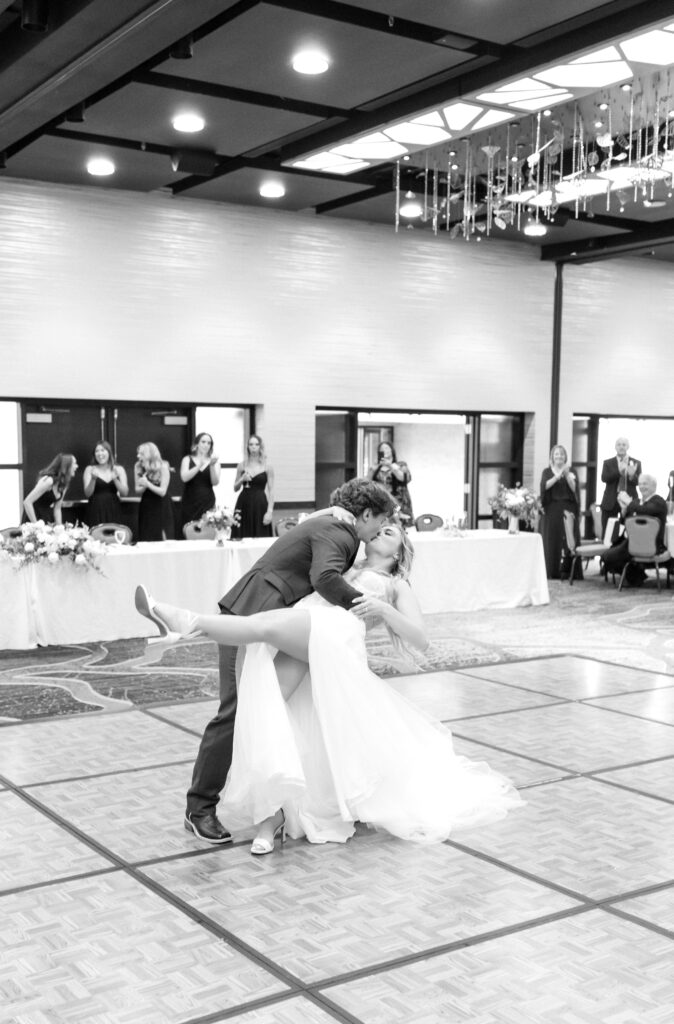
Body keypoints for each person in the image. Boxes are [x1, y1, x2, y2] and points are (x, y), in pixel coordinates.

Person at [136, 522, 523, 852]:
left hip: (332, 635)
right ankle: (272, 815)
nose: (379, 531)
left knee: (262, 626)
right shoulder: (345, 561)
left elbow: (421, 639)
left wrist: (384, 609)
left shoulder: (396, 584)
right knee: (267, 709)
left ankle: (181, 622)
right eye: (378, 525)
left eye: (391, 531)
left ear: (400, 550)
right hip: (307, 630)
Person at [172, 477, 396, 844]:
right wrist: (364, 607)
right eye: (379, 522)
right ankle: (199, 809)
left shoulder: (330, 523)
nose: (377, 532)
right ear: (366, 514)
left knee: (262, 708)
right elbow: (323, 577)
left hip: (269, 617)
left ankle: (275, 810)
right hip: (255, 610)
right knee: (235, 710)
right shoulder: (342, 531)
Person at [603, 473, 668, 587]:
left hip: (653, 544)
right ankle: (637, 575)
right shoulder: (637, 502)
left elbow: (645, 510)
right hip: (632, 543)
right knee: (606, 557)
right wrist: (624, 510)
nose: (642, 486)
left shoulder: (659, 502)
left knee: (609, 557)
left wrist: (629, 503)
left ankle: (636, 575)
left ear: (654, 486)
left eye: (645, 484)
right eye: (640, 484)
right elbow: (625, 522)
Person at [540, 444, 582, 580]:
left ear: (565, 457)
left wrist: (567, 476)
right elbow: (545, 486)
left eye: (562, 454)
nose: (559, 456)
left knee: (569, 538)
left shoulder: (571, 471)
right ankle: (552, 570)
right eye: (557, 454)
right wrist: (557, 476)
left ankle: (570, 571)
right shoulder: (547, 471)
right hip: (552, 508)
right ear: (552, 456)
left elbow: (574, 488)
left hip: (568, 508)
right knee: (552, 538)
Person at [231, 434, 274, 538]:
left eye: (256, 444)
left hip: (260, 503)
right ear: (247, 447)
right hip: (243, 502)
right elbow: (235, 488)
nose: (253, 447)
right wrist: (242, 479)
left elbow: (271, 490)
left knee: (261, 534)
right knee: (241, 534)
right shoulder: (242, 465)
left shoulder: (267, 467)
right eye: (251, 444)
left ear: (260, 447)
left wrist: (269, 511)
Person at [600, 437, 642, 535]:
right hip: (611, 501)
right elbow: (604, 478)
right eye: (619, 444)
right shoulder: (608, 463)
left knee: (629, 532)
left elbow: (640, 482)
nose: (621, 447)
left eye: (624, 444)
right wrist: (619, 472)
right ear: (615, 447)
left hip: (629, 499)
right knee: (608, 532)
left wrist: (632, 476)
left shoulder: (636, 462)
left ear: (628, 447)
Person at [179, 432, 220, 533]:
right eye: (203, 442)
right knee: (189, 529)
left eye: (209, 443)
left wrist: (211, 466)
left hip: (207, 500)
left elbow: (215, 482)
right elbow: (184, 478)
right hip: (190, 500)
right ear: (197, 444)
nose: (206, 445)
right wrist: (199, 465)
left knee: (207, 529)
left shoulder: (214, 462)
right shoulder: (187, 459)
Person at [134, 442, 174, 541]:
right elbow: (137, 490)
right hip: (147, 504)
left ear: (149, 455)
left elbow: (162, 492)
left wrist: (147, 484)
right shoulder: (138, 466)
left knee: (162, 536)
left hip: (161, 505)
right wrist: (143, 485)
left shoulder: (163, 467)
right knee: (147, 535)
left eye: (141, 454)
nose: (138, 456)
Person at [23, 453, 78, 524]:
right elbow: (27, 502)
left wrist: (60, 528)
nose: (76, 466)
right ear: (66, 466)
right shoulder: (48, 481)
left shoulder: (63, 485)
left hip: (45, 517)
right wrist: (36, 525)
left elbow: (57, 508)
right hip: (32, 517)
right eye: (74, 463)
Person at [83, 441, 129, 527]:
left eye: (103, 450)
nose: (100, 453)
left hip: (114, 509)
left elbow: (124, 493)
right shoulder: (90, 469)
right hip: (95, 509)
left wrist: (115, 479)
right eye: (97, 451)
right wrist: (93, 479)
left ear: (109, 452)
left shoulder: (119, 469)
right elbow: (88, 494)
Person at [368, 441, 414, 525]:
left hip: (399, 502)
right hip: (382, 503)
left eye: (386, 448)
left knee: (400, 528)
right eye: (381, 449)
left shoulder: (400, 465)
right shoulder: (376, 468)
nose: (384, 450)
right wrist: (372, 470)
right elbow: (367, 483)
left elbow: (404, 478)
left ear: (392, 451)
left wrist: (390, 465)